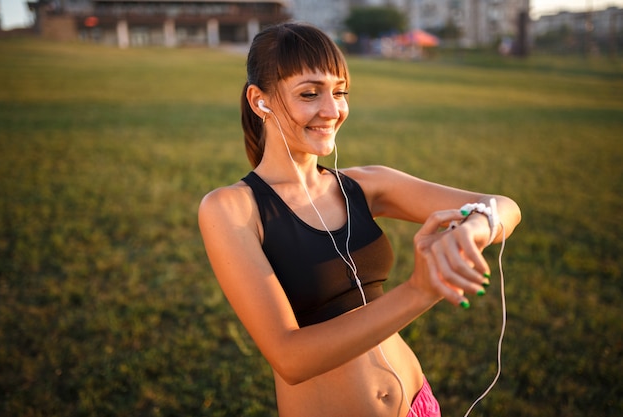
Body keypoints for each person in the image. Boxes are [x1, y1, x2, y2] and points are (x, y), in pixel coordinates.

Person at [198, 22, 521, 417]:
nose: (333, 111)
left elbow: (503, 205)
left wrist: (471, 228)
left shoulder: (365, 185)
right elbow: (290, 358)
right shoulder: (232, 208)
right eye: (309, 93)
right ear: (259, 100)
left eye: (339, 92)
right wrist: (420, 289)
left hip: (419, 405)